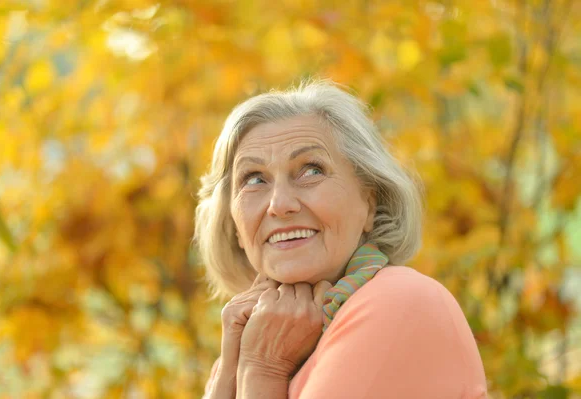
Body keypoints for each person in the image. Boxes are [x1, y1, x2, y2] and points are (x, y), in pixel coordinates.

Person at [194, 80, 487, 398]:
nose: (279, 204)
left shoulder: (400, 301)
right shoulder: (253, 339)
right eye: (254, 179)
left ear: (369, 202)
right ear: (235, 225)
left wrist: (263, 369)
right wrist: (229, 373)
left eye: (310, 171)